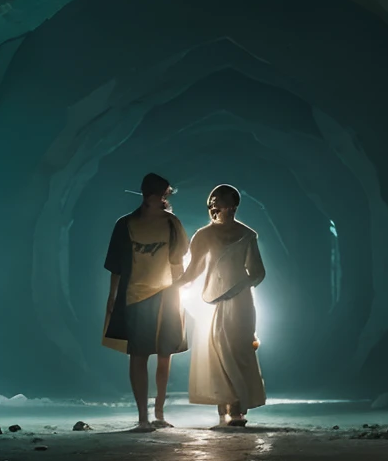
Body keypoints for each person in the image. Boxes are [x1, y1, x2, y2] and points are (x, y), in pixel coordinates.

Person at [102, 173, 189, 430]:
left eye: (166, 195)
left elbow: (179, 260)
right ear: (147, 195)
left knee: (165, 354)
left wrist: (181, 292)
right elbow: (115, 265)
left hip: (167, 294)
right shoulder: (126, 224)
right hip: (136, 295)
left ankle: (159, 414)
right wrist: (112, 295)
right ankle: (143, 417)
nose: (163, 199)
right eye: (159, 195)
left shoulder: (172, 223)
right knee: (138, 355)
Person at [177, 184, 268, 427]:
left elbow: (258, 272)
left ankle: (238, 409)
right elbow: (193, 270)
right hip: (212, 302)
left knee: (239, 350)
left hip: (241, 302)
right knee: (217, 352)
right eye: (212, 201)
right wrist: (171, 286)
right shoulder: (204, 235)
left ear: (233, 206)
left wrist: (239, 286)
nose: (215, 205)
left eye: (220, 201)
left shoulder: (248, 235)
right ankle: (225, 410)